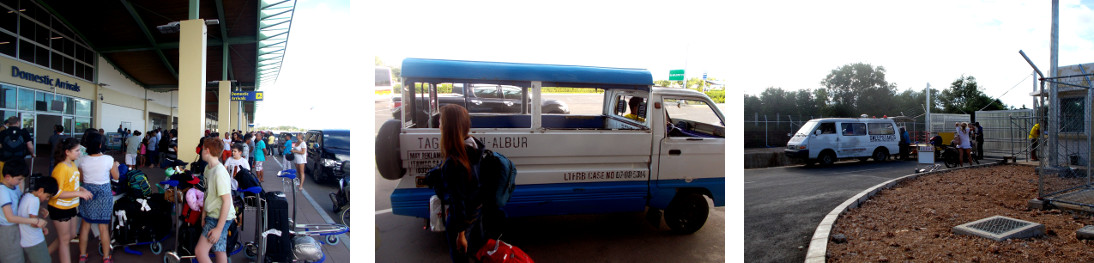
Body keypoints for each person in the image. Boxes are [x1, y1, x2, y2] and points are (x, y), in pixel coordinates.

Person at [428, 104, 488, 263]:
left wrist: (460, 234)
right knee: (477, 253)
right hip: (477, 212)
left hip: (460, 222)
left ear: (449, 127)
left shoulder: (453, 162)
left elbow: (458, 200)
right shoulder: (474, 147)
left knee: (460, 258)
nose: (439, 124)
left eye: (441, 121)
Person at [76, 132, 119, 263]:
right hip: (104, 193)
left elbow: (81, 178)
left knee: (85, 225)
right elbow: (116, 177)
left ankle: (82, 255)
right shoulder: (108, 159)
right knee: (103, 227)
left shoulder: (82, 160)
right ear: (100, 145)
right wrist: (115, 166)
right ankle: (106, 257)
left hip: (87, 191)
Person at [47, 138, 90, 263]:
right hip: (60, 208)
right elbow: (56, 193)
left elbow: (72, 184)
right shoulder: (61, 168)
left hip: (70, 205)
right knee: (65, 240)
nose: (79, 153)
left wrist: (81, 189)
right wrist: (78, 193)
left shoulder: (71, 164)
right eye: (76, 150)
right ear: (67, 152)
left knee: (69, 236)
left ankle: (45, 254)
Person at [194, 137, 235, 263]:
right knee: (219, 250)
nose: (200, 152)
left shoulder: (219, 172)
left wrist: (218, 228)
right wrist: (204, 215)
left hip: (220, 217)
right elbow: (207, 193)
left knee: (200, 251)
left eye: (202, 149)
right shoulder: (208, 169)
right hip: (213, 215)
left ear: (207, 150)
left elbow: (227, 201)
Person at [0, 161, 47, 263]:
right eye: (19, 179)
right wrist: (35, 221)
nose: (21, 182)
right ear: (8, 177)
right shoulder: (3, 191)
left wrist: (39, 209)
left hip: (17, 227)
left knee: (19, 256)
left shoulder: (13, 186)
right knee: (12, 257)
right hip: (8, 230)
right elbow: (10, 217)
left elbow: (20, 202)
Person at [18, 175, 58, 263]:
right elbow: (34, 222)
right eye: (47, 196)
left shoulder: (28, 195)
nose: (46, 199)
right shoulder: (35, 200)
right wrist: (43, 226)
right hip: (34, 241)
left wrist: (40, 209)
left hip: (27, 240)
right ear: (40, 190)